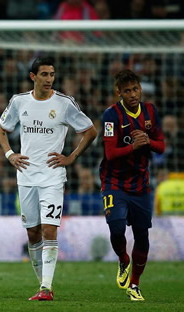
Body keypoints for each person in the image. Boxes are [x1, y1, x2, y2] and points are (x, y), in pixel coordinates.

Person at [0, 57, 97, 301]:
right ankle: (41, 283)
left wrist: (71, 157)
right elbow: (1, 128)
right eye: (44, 74)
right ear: (33, 77)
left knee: (50, 229)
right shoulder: (19, 102)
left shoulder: (64, 103)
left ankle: (46, 288)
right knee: (33, 233)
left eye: (52, 74)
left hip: (52, 176)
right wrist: (10, 154)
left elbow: (90, 131)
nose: (49, 79)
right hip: (26, 175)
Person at [99, 69, 165, 301]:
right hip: (114, 182)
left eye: (135, 89)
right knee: (116, 229)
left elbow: (162, 146)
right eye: (127, 90)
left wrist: (149, 141)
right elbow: (109, 153)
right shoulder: (111, 116)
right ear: (119, 92)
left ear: (140, 89)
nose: (133, 94)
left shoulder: (150, 111)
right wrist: (134, 147)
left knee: (142, 236)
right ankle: (123, 259)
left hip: (140, 184)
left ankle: (134, 285)